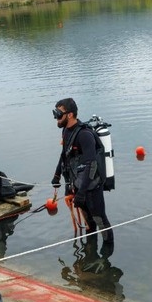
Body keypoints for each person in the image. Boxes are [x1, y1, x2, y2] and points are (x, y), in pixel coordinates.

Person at [50, 98, 113, 243]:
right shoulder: (66, 131)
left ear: (70, 115)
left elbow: (92, 164)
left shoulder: (85, 135)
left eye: (59, 114)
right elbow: (64, 155)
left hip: (91, 186)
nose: (56, 118)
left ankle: (106, 256)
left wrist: (82, 193)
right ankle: (91, 253)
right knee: (88, 223)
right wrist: (57, 175)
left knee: (100, 220)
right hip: (77, 185)